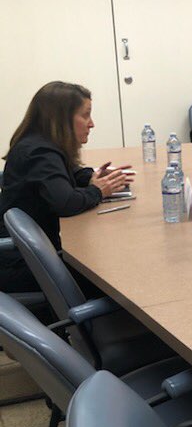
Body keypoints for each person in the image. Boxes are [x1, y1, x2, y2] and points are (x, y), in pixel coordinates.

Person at [0, 81, 132, 292]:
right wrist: (98, 190)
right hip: (24, 264)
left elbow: (68, 173)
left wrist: (91, 177)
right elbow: (66, 203)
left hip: (31, 254)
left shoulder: (39, 144)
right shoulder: (40, 153)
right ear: (61, 119)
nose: (91, 124)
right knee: (119, 269)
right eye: (85, 115)